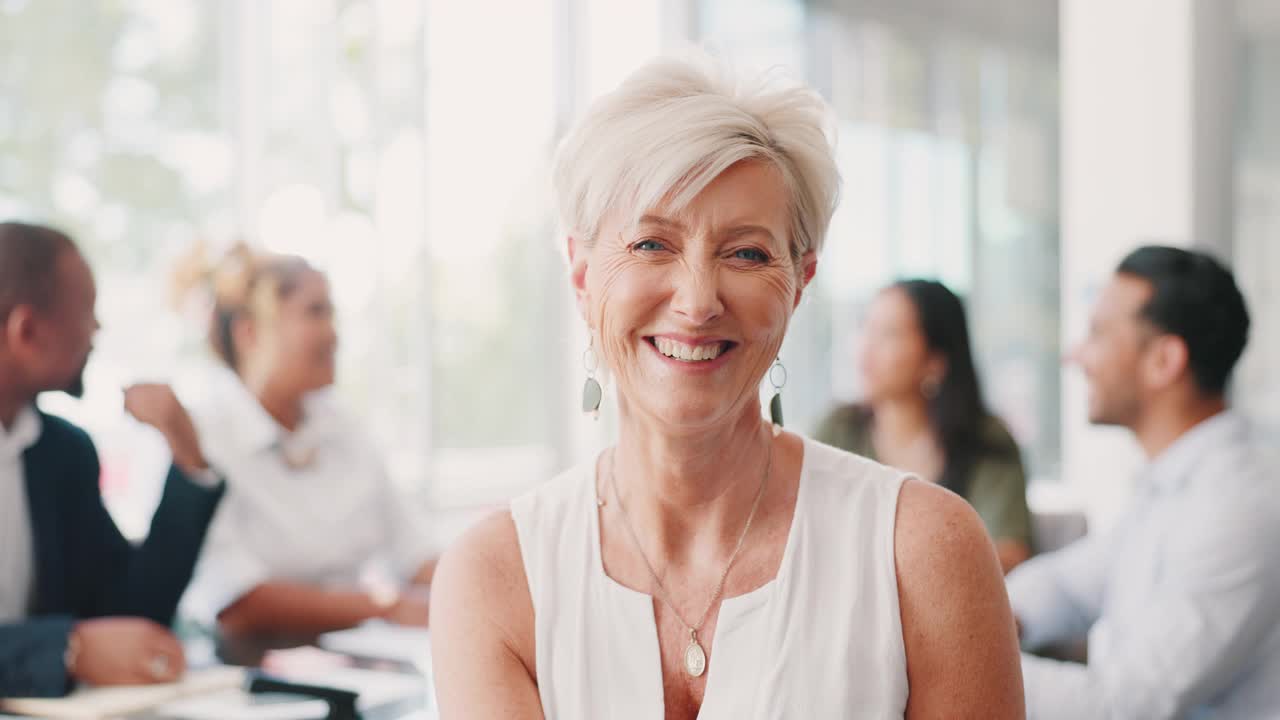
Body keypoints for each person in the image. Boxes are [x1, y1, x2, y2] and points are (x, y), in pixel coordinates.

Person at [430, 54, 1024, 719]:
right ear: (580, 272)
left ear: (799, 283)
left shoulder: (925, 552)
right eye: (651, 244)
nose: (697, 302)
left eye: (746, 253)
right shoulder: (494, 577)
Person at [1008, 246, 1280, 718]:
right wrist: (977, 615)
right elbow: (1069, 585)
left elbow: (1133, 702)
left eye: (1097, 334)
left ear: (1164, 360)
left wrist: (964, 658)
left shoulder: (1243, 504)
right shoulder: (1171, 485)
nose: (1076, 356)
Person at [0, 221, 224, 698]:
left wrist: (187, 457)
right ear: (27, 330)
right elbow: (87, 644)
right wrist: (66, 648)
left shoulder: (61, 453)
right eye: (86, 311)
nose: (97, 329)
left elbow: (131, 614)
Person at [175, 245, 437, 638]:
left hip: (357, 660)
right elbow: (236, 602)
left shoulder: (343, 424)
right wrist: (387, 607)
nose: (333, 334)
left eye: (332, 313)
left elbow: (415, 553)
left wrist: (479, 585)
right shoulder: (202, 438)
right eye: (315, 313)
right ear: (249, 331)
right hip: (243, 672)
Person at [815, 279, 1033, 572]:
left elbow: (1009, 554)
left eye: (889, 335)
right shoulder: (838, 429)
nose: (866, 350)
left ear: (935, 361)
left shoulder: (986, 441)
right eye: (867, 328)